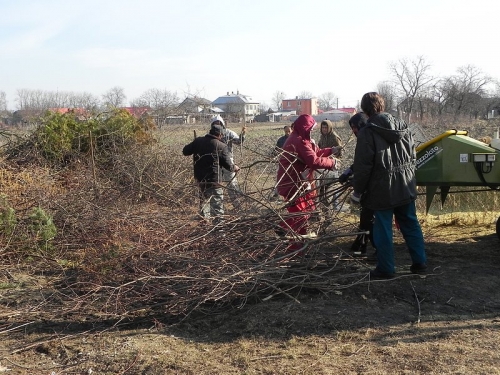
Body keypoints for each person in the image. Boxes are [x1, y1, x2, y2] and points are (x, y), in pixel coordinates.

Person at [352, 92, 427, 279]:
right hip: (405, 184)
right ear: (382, 106)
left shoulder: (367, 133)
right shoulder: (403, 126)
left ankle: (386, 269)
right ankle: (420, 263)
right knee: (410, 223)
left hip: (382, 189)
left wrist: (357, 192)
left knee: (383, 227)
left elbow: (363, 167)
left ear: (365, 110)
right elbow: (413, 155)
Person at [276, 114, 341, 251]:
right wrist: (332, 163)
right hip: (292, 183)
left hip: (299, 183)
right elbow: (314, 161)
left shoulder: (302, 139)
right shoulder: (298, 141)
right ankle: (295, 247)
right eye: (311, 128)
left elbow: (315, 152)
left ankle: (284, 228)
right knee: (300, 216)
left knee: (303, 213)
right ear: (305, 128)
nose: (312, 130)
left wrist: (331, 150)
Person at [182, 124, 240, 223]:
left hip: (201, 180)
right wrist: (235, 168)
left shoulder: (198, 141)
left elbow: (185, 151)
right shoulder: (221, 146)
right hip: (215, 181)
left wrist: (196, 146)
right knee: (217, 207)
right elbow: (228, 166)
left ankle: (205, 226)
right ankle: (219, 228)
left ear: (210, 132)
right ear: (220, 135)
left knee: (204, 205)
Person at [339, 113, 376, 256]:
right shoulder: (364, 138)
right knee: (366, 216)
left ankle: (377, 250)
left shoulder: (368, 139)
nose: (353, 131)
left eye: (354, 127)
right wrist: (348, 171)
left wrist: (357, 188)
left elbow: (367, 166)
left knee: (370, 217)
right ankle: (360, 244)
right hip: (370, 185)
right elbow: (361, 162)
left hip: (374, 186)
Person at [209, 115, 246, 208]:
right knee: (216, 185)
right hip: (215, 163)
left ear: (222, 124)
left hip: (228, 162)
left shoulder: (229, 133)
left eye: (219, 123)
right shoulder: (210, 135)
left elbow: (238, 142)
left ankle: (238, 205)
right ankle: (218, 207)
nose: (217, 125)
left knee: (232, 184)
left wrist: (243, 134)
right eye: (215, 123)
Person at [316, 120, 343, 211]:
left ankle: (336, 205)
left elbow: (340, 152)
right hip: (324, 164)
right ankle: (324, 204)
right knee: (325, 186)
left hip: (333, 164)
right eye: (323, 127)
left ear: (329, 127)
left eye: (326, 127)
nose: (324, 129)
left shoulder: (335, 137)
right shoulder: (322, 137)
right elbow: (319, 149)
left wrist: (332, 157)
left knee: (333, 185)